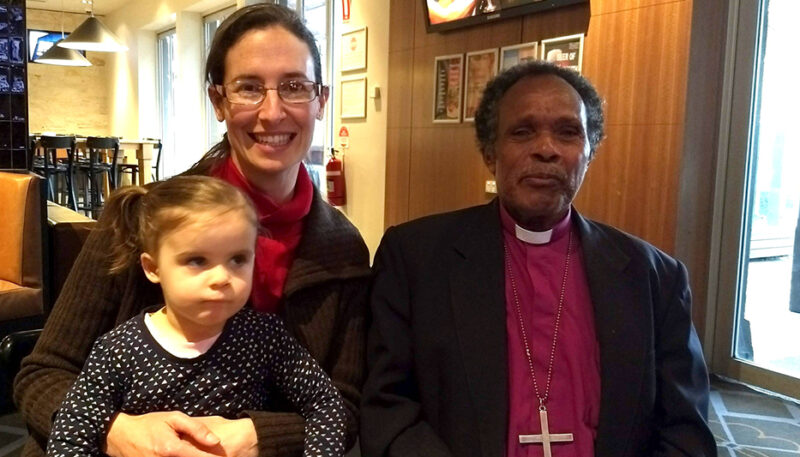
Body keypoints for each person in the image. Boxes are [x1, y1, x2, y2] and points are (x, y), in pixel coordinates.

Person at [15, 4, 371, 457]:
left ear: (320, 100)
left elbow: (343, 404)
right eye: (248, 88)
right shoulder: (140, 219)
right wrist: (117, 432)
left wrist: (257, 435)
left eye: (294, 87)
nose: (273, 111)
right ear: (218, 101)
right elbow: (42, 374)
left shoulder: (343, 250)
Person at [360, 61, 716, 457]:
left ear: (588, 152)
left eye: (568, 133)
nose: (546, 149)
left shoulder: (655, 278)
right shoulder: (416, 259)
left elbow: (687, 433)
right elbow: (387, 409)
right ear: (490, 152)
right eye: (522, 131)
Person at [47, 176, 346, 457]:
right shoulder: (117, 351)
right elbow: (71, 431)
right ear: (152, 268)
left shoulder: (264, 337)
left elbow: (326, 403)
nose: (221, 277)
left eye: (238, 259)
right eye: (197, 260)